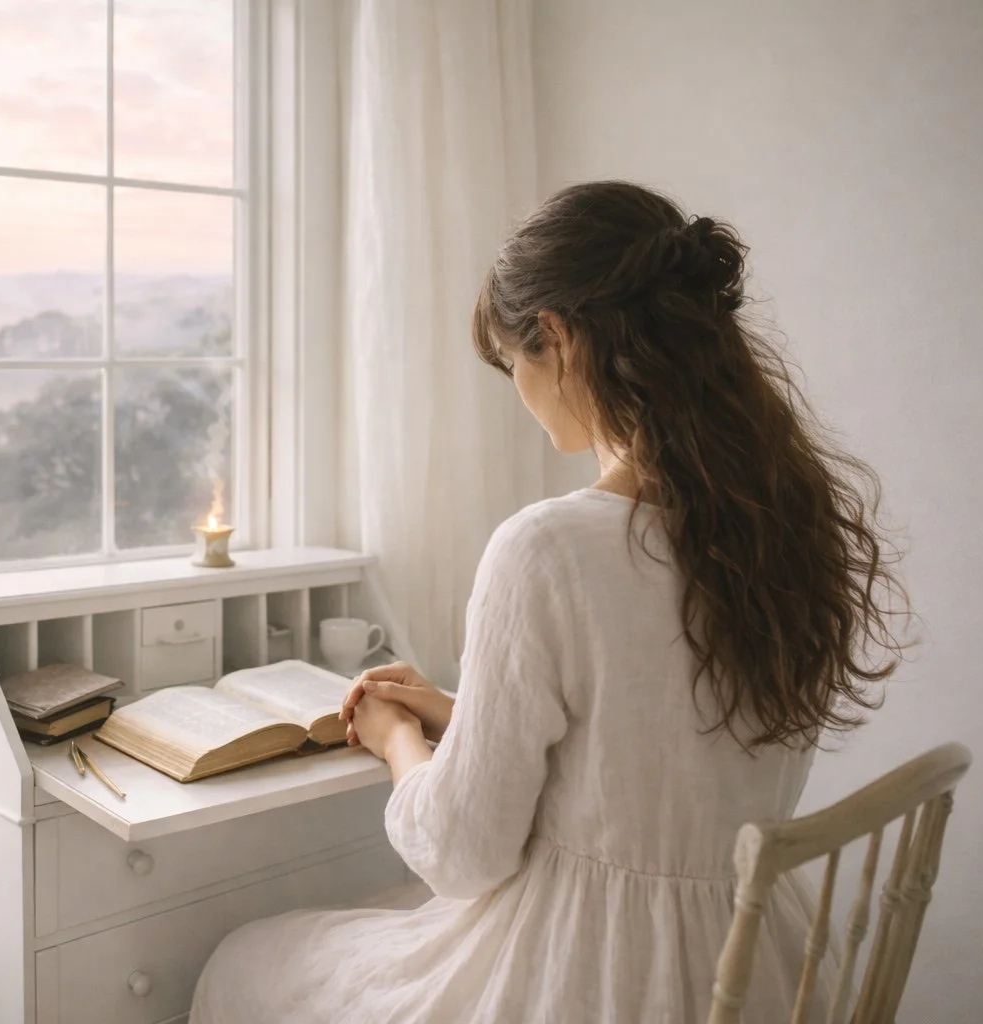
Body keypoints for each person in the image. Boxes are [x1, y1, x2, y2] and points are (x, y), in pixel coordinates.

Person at [189, 180, 905, 1023]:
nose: (520, 392)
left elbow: (460, 857)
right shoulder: (782, 526)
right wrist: (466, 712)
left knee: (247, 961)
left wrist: (394, 740)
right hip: (749, 974)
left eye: (513, 363)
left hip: (586, 975)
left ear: (558, 340)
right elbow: (662, 753)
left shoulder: (551, 549)